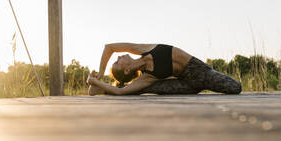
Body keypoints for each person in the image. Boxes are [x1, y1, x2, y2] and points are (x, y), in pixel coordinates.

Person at [87, 43, 241, 95]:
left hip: (202, 73)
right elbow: (120, 92)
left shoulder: (144, 49)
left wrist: (100, 74)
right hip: (187, 85)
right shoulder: (147, 77)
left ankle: (100, 88)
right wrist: (96, 83)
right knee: (144, 88)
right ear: (127, 71)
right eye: (118, 62)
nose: (120, 57)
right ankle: (100, 90)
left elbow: (110, 47)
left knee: (235, 87)